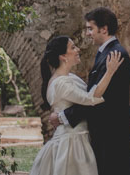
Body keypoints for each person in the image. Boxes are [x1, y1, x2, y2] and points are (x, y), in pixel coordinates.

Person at [49, 7, 130, 175]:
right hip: (106, 131)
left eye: (90, 28)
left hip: (112, 133)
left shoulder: (115, 54)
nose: (87, 33)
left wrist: (63, 116)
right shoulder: (106, 53)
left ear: (104, 29)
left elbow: (98, 97)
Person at [29, 35, 124, 175]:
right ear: (63, 56)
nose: (78, 49)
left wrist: (61, 117)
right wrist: (109, 72)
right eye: (73, 47)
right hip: (71, 143)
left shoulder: (70, 78)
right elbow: (90, 99)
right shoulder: (61, 83)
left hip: (77, 137)